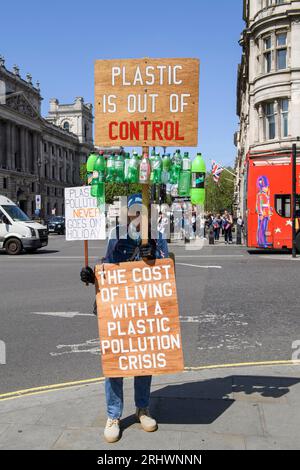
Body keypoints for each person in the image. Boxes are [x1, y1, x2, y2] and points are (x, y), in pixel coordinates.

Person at [80, 194, 169, 443]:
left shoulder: (157, 236)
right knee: (115, 362)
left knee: (144, 360)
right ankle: (113, 415)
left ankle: (142, 408)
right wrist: (92, 276)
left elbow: (168, 270)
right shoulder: (116, 237)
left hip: (145, 309)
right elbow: (108, 267)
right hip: (119, 309)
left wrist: (154, 257)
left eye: (142, 212)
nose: (137, 217)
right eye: (133, 213)